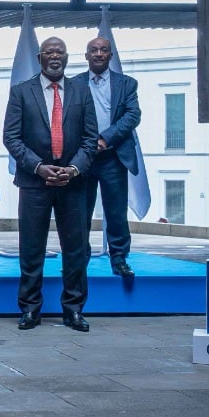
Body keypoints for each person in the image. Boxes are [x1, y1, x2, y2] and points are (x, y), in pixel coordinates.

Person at [3, 37, 99, 333]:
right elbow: (12, 137)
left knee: (76, 249)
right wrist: (39, 167)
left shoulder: (82, 91)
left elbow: (90, 139)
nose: (55, 57)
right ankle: (30, 309)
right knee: (31, 248)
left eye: (60, 52)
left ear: (67, 58)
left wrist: (72, 169)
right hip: (34, 182)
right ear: (40, 57)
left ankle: (73, 310)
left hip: (73, 183)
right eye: (49, 52)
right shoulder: (21, 92)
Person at [69, 37, 141, 279]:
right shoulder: (74, 83)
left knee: (116, 212)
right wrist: (88, 144)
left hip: (113, 156)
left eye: (104, 50)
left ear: (110, 55)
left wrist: (106, 138)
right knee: (80, 212)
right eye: (94, 50)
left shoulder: (127, 84)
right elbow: (68, 117)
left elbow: (132, 116)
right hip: (83, 158)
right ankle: (80, 260)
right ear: (86, 55)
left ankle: (119, 259)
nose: (99, 54)